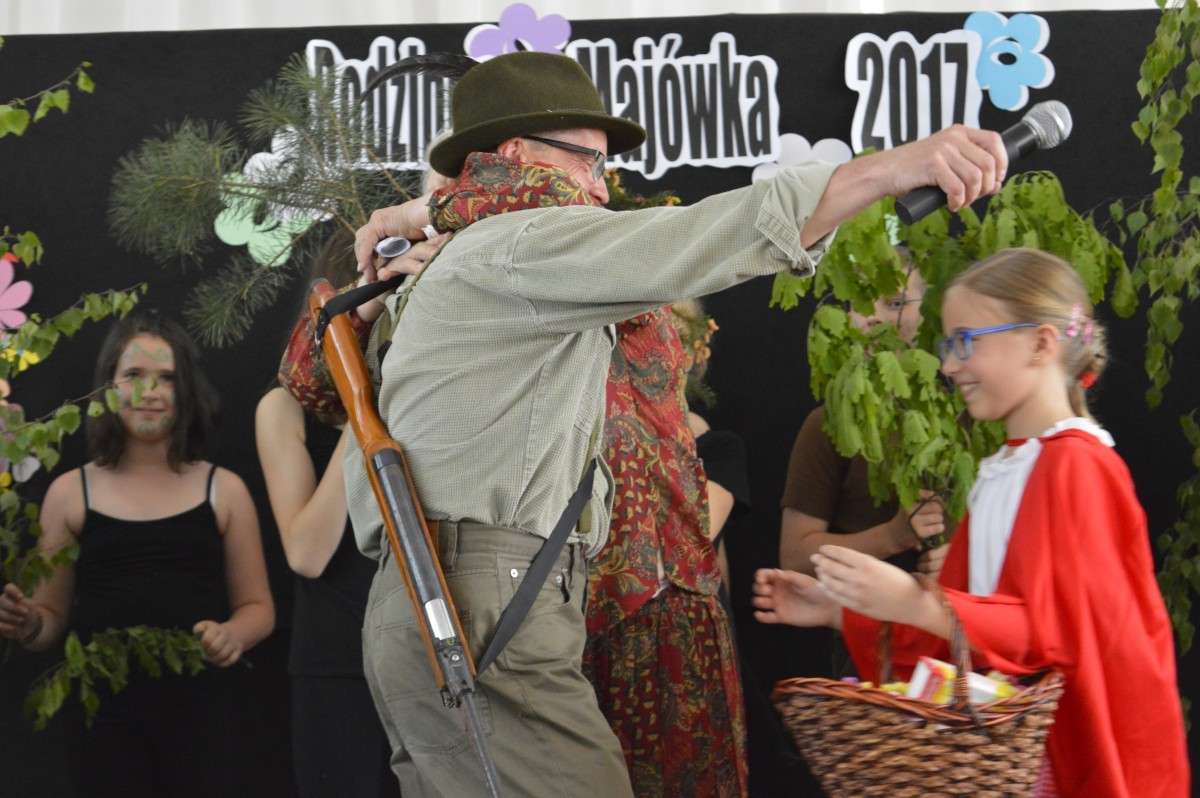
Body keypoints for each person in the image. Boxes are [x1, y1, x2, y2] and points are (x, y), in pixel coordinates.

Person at [279, 50, 1007, 797]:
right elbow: (717, 230)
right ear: (517, 155)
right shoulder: (521, 242)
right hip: (490, 595)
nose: (601, 187)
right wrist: (889, 170)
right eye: (588, 162)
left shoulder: (464, 253)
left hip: (456, 597)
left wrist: (430, 218)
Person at [753, 248, 1190, 797]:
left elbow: (1057, 636)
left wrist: (913, 601)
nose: (949, 365)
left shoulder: (1078, 467)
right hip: (1012, 758)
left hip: (1067, 757)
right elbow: (970, 629)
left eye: (967, 341)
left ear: (1041, 344)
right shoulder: (1006, 467)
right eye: (947, 344)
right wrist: (843, 610)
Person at [0, 312, 274, 798]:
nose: (149, 391)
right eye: (133, 375)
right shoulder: (71, 492)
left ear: (186, 390)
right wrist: (28, 624)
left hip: (198, 716)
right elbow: (50, 621)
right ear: (106, 386)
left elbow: (258, 607)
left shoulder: (223, 489)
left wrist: (233, 634)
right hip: (102, 723)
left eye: (166, 378)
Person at [583, 296, 748, 797]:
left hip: (672, 631)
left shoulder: (717, 448)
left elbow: (692, 531)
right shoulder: (592, 426)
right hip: (596, 628)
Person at [256, 233, 401, 798]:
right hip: (338, 660)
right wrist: (361, 406)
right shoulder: (283, 408)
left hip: (422, 651)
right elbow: (306, 553)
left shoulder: (419, 393)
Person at [779, 257, 947, 678]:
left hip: (963, 642)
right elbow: (795, 558)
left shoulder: (970, 415)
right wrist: (891, 537)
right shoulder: (829, 425)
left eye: (895, 303)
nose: (873, 317)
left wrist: (960, 559)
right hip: (867, 649)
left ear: (932, 312)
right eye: (861, 302)